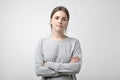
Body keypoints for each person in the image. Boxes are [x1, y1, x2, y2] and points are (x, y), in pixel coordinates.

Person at [35, 6, 82, 80]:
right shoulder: (42, 42)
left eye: (64, 19)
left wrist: (48, 64)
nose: (60, 21)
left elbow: (76, 68)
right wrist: (67, 68)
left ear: (67, 23)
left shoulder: (74, 43)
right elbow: (38, 71)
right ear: (51, 20)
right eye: (56, 18)